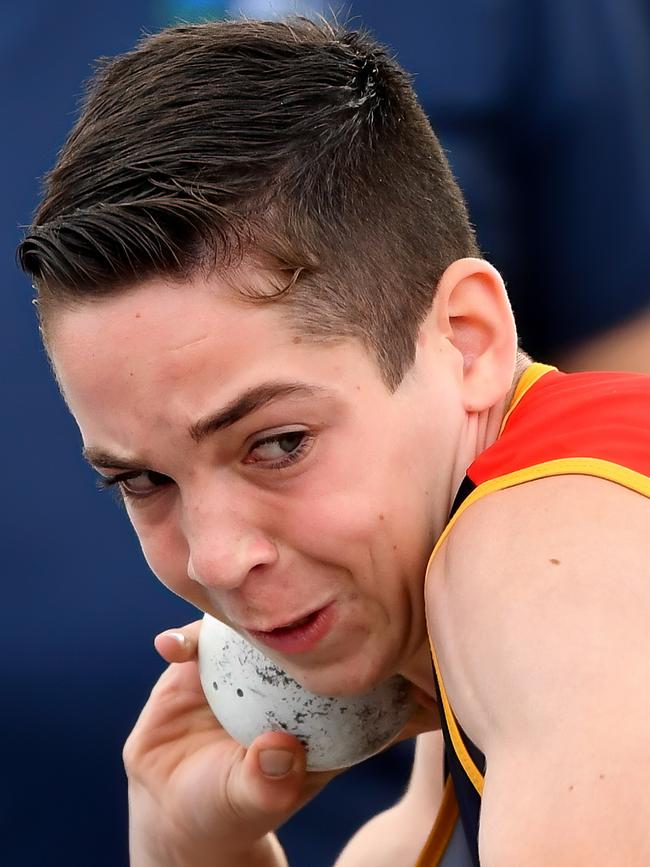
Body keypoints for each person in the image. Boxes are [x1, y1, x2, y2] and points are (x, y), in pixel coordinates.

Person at [17, 17, 650, 867]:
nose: (216, 559)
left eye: (277, 443)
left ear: (467, 339)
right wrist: (189, 847)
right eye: (143, 482)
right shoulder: (464, 620)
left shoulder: (538, 565)